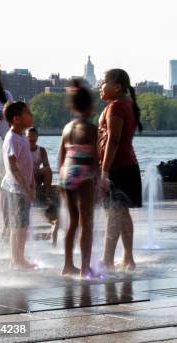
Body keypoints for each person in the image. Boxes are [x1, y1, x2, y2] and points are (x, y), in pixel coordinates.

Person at [98, 69, 142, 271]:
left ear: (116, 87)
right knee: (122, 213)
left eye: (103, 82)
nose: (100, 85)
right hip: (128, 165)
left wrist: (104, 171)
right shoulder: (126, 105)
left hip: (118, 167)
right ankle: (128, 258)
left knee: (114, 214)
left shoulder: (116, 107)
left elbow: (113, 141)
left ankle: (108, 260)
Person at [58, 79, 98, 277]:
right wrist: (98, 181)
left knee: (72, 222)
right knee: (87, 222)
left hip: (67, 173)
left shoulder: (67, 128)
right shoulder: (91, 129)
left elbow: (61, 156)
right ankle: (84, 268)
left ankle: (67, 265)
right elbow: (95, 159)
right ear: (90, 107)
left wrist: (61, 179)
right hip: (84, 174)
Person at [1, 101, 35, 269]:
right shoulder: (12, 138)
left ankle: (17, 257)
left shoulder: (21, 136)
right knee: (19, 226)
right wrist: (26, 187)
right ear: (16, 119)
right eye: (28, 113)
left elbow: (27, 164)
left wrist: (32, 184)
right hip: (16, 189)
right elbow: (13, 166)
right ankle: (17, 259)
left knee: (22, 225)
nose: (32, 116)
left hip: (22, 188)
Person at [26, 128, 52, 203]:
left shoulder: (41, 150)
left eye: (33, 136)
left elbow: (46, 166)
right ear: (26, 137)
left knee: (47, 169)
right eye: (29, 136)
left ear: (37, 137)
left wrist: (38, 171)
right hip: (26, 177)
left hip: (37, 176)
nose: (31, 138)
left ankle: (47, 196)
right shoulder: (23, 149)